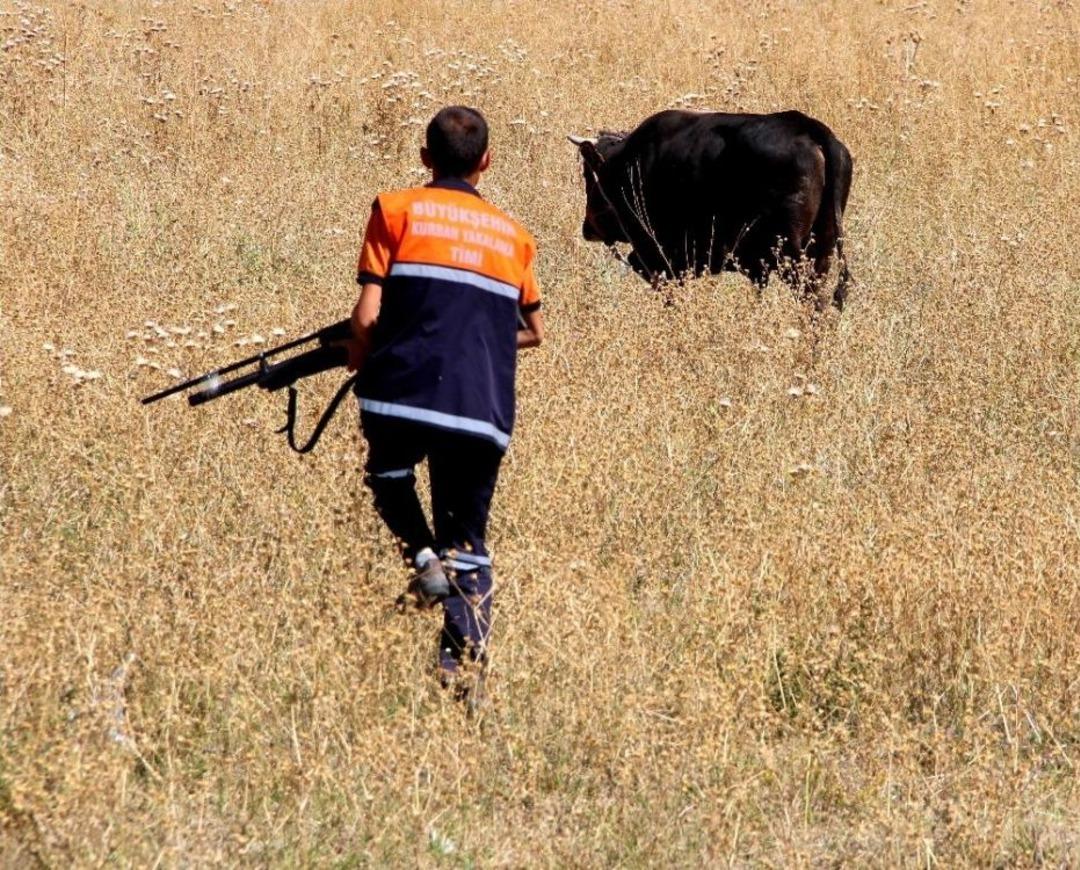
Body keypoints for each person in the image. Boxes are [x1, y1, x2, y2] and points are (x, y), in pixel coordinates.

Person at [344, 106, 544, 697]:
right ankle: (463, 672)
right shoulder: (515, 237)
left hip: (402, 391)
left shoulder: (396, 209)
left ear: (425, 158)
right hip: (480, 407)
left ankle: (421, 557)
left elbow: (368, 314)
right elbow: (533, 332)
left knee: (387, 472)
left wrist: (361, 354)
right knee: (471, 544)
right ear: (487, 162)